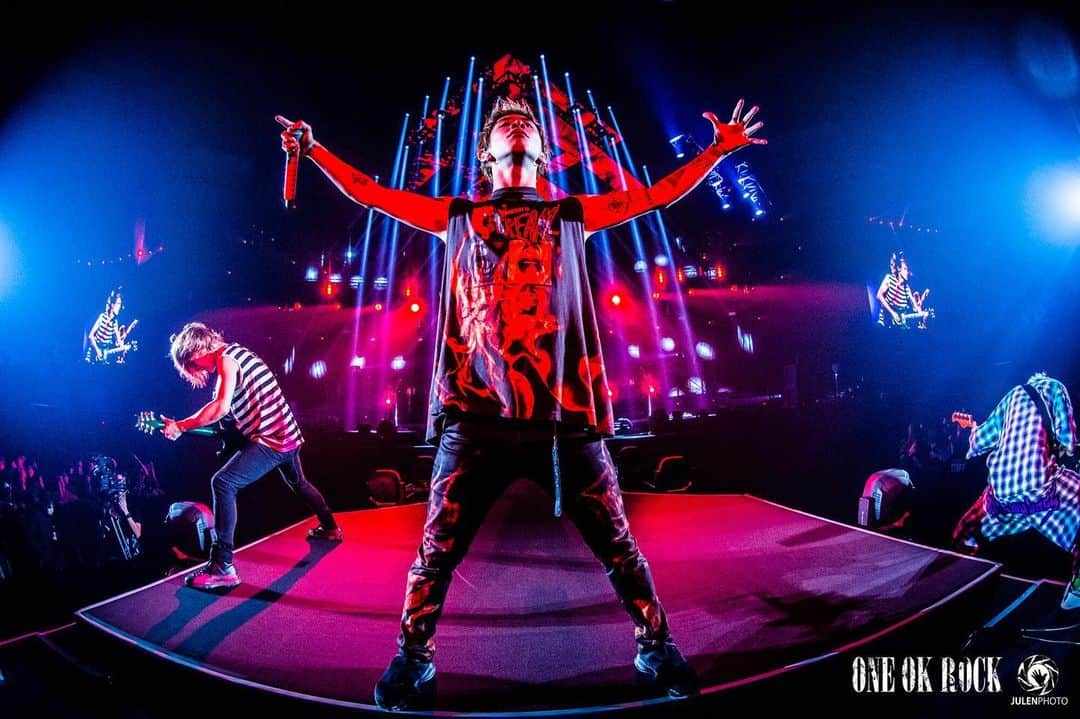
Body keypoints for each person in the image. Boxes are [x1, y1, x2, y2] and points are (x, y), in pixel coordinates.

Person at [279, 94, 765, 708]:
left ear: (542, 151)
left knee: (618, 544)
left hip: (563, 415)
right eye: (506, 122)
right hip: (475, 414)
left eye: (528, 122)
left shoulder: (570, 214)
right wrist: (314, 149)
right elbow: (370, 194)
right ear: (486, 154)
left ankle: (655, 644)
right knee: (435, 552)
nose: (517, 121)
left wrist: (718, 152)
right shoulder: (458, 215)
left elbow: (655, 196)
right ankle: (413, 656)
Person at [161, 322, 342, 590]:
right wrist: (182, 426)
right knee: (299, 484)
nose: (196, 370)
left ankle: (223, 566)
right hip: (288, 436)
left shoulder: (226, 360)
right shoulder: (238, 353)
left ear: (197, 349)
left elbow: (220, 408)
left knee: (222, 483)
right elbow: (228, 416)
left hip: (272, 441)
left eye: (191, 363)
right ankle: (330, 527)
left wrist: (182, 426)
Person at [951, 372, 1080, 610]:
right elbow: (1068, 441)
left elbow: (979, 441)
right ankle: (1077, 591)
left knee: (964, 532)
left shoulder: (1012, 395)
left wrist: (971, 429)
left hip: (1001, 496)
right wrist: (1063, 449)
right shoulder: (1055, 387)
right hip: (1041, 492)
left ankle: (959, 586)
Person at [876, 253, 927, 328]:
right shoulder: (889, 278)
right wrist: (893, 313)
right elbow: (879, 295)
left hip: (897, 327)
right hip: (884, 324)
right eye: (905, 269)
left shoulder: (907, 289)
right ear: (899, 269)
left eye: (908, 270)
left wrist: (922, 314)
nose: (908, 273)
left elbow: (915, 307)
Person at [87, 289, 135, 363]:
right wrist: (97, 351)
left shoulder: (114, 323)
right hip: (93, 353)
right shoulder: (102, 317)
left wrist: (126, 348)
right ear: (112, 305)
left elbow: (119, 342)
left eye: (120, 304)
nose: (120, 307)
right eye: (118, 304)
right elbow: (90, 336)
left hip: (103, 355)